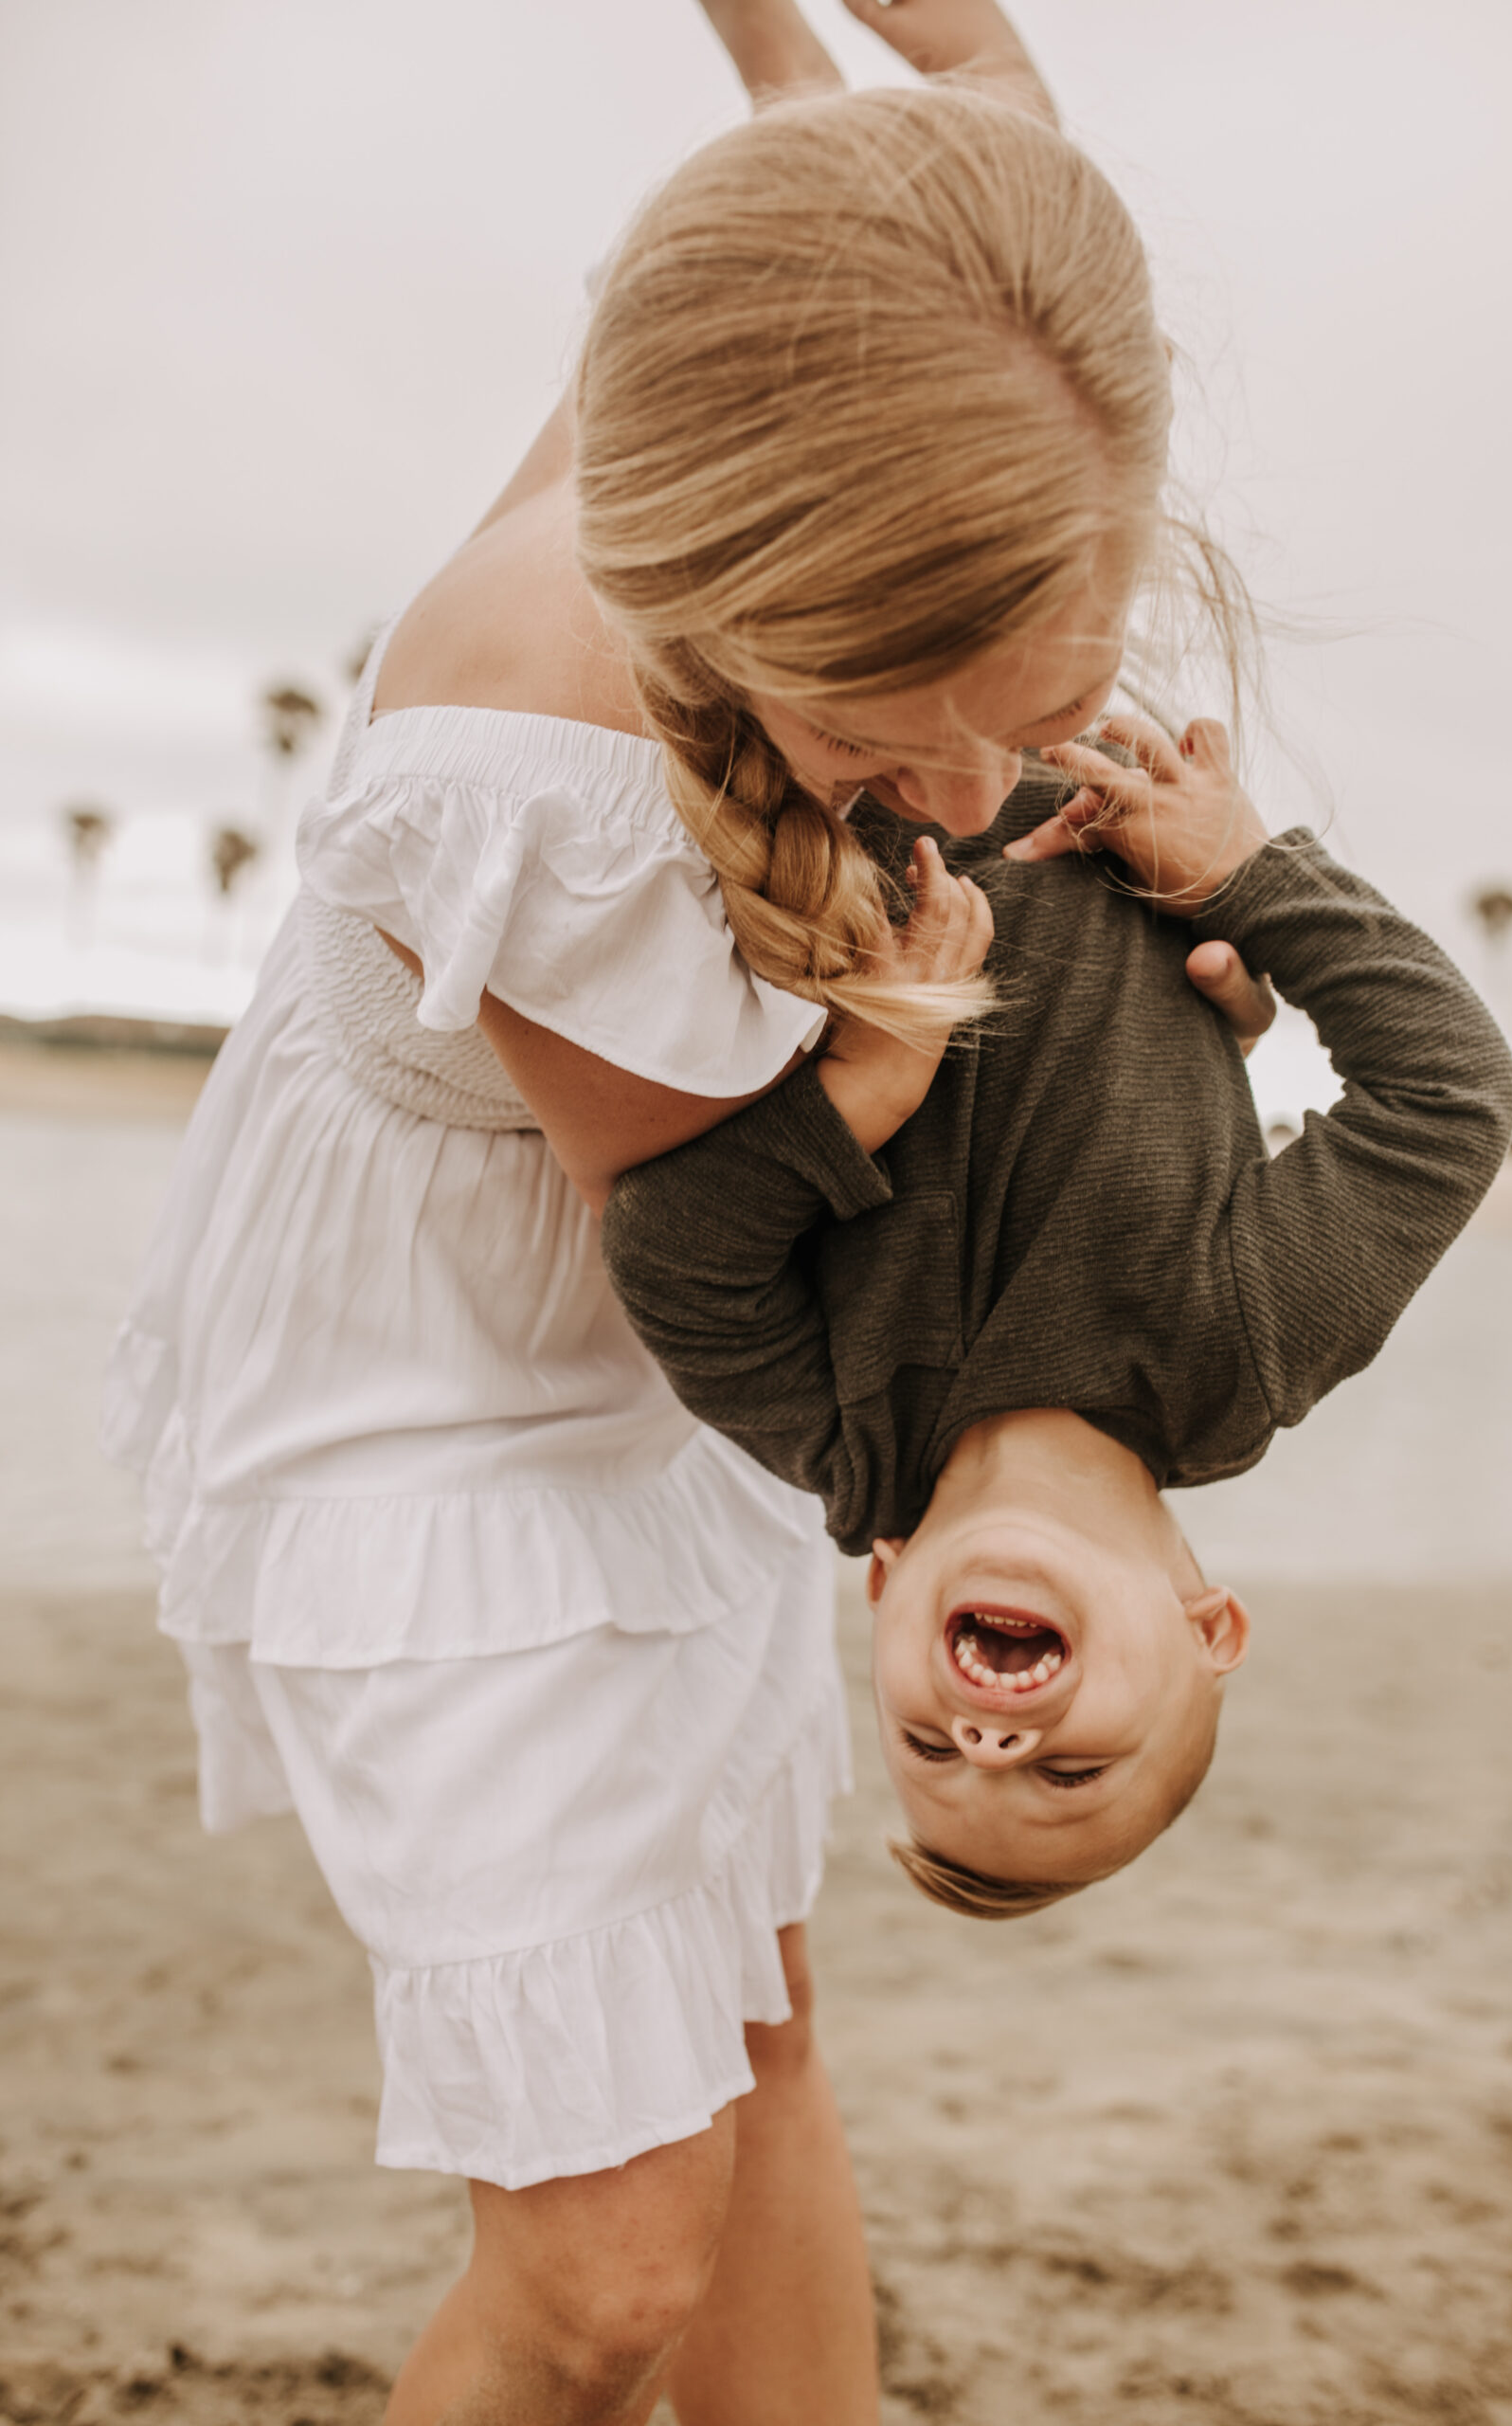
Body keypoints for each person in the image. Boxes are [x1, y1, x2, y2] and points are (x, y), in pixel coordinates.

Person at [102, 8, 1282, 2421]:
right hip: (468, 1381)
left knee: (749, 2024)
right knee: (599, 2277)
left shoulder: (897, 340)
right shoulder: (536, 752)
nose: (963, 795)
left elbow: (957, 91)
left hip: (669, 1366)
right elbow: (744, 1251)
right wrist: (1146, 1077)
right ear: (755, 570)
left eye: (1029, 703)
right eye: (893, 737)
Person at [601, 717, 1512, 1919]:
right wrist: (1242, 876)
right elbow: (1447, 1095)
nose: (987, 1739)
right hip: (1065, 752)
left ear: (882, 1592)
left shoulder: (833, 1429)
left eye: (925, 1748)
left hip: (815, 759)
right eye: (1072, 1768)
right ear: (1211, 1630)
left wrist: (864, 1088)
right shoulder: (1244, 1347)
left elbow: (670, 1257)